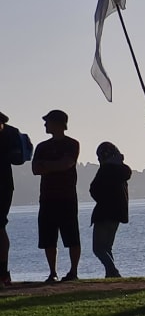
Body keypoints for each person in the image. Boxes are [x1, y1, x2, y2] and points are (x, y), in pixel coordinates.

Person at [32, 110, 81, 283]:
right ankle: (52, 272)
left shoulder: (72, 144)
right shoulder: (41, 147)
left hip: (67, 197)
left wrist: (47, 165)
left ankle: (73, 271)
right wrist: (55, 165)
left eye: (48, 122)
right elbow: (35, 169)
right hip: (47, 197)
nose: (45, 125)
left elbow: (67, 164)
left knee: (72, 236)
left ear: (58, 124)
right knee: (48, 238)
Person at [88, 142, 132, 279]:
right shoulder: (122, 170)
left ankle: (113, 271)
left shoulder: (105, 169)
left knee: (98, 248)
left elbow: (94, 189)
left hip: (104, 212)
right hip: (118, 213)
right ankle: (110, 275)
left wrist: (101, 199)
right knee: (107, 247)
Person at [0, 111, 30, 287]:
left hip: (2, 184)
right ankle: (3, 272)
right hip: (5, 184)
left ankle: (3, 273)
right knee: (0, 226)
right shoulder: (9, 131)